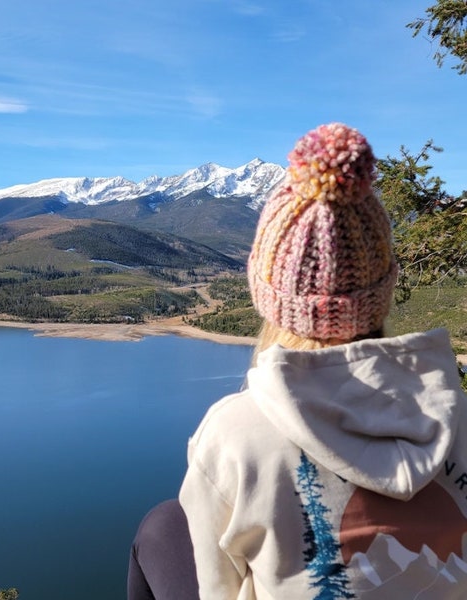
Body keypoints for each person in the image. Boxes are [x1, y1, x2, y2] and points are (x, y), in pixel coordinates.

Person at [128, 123, 467, 599]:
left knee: (162, 526)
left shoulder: (235, 433)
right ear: (384, 292)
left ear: (267, 297)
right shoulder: (457, 415)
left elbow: (215, 589)